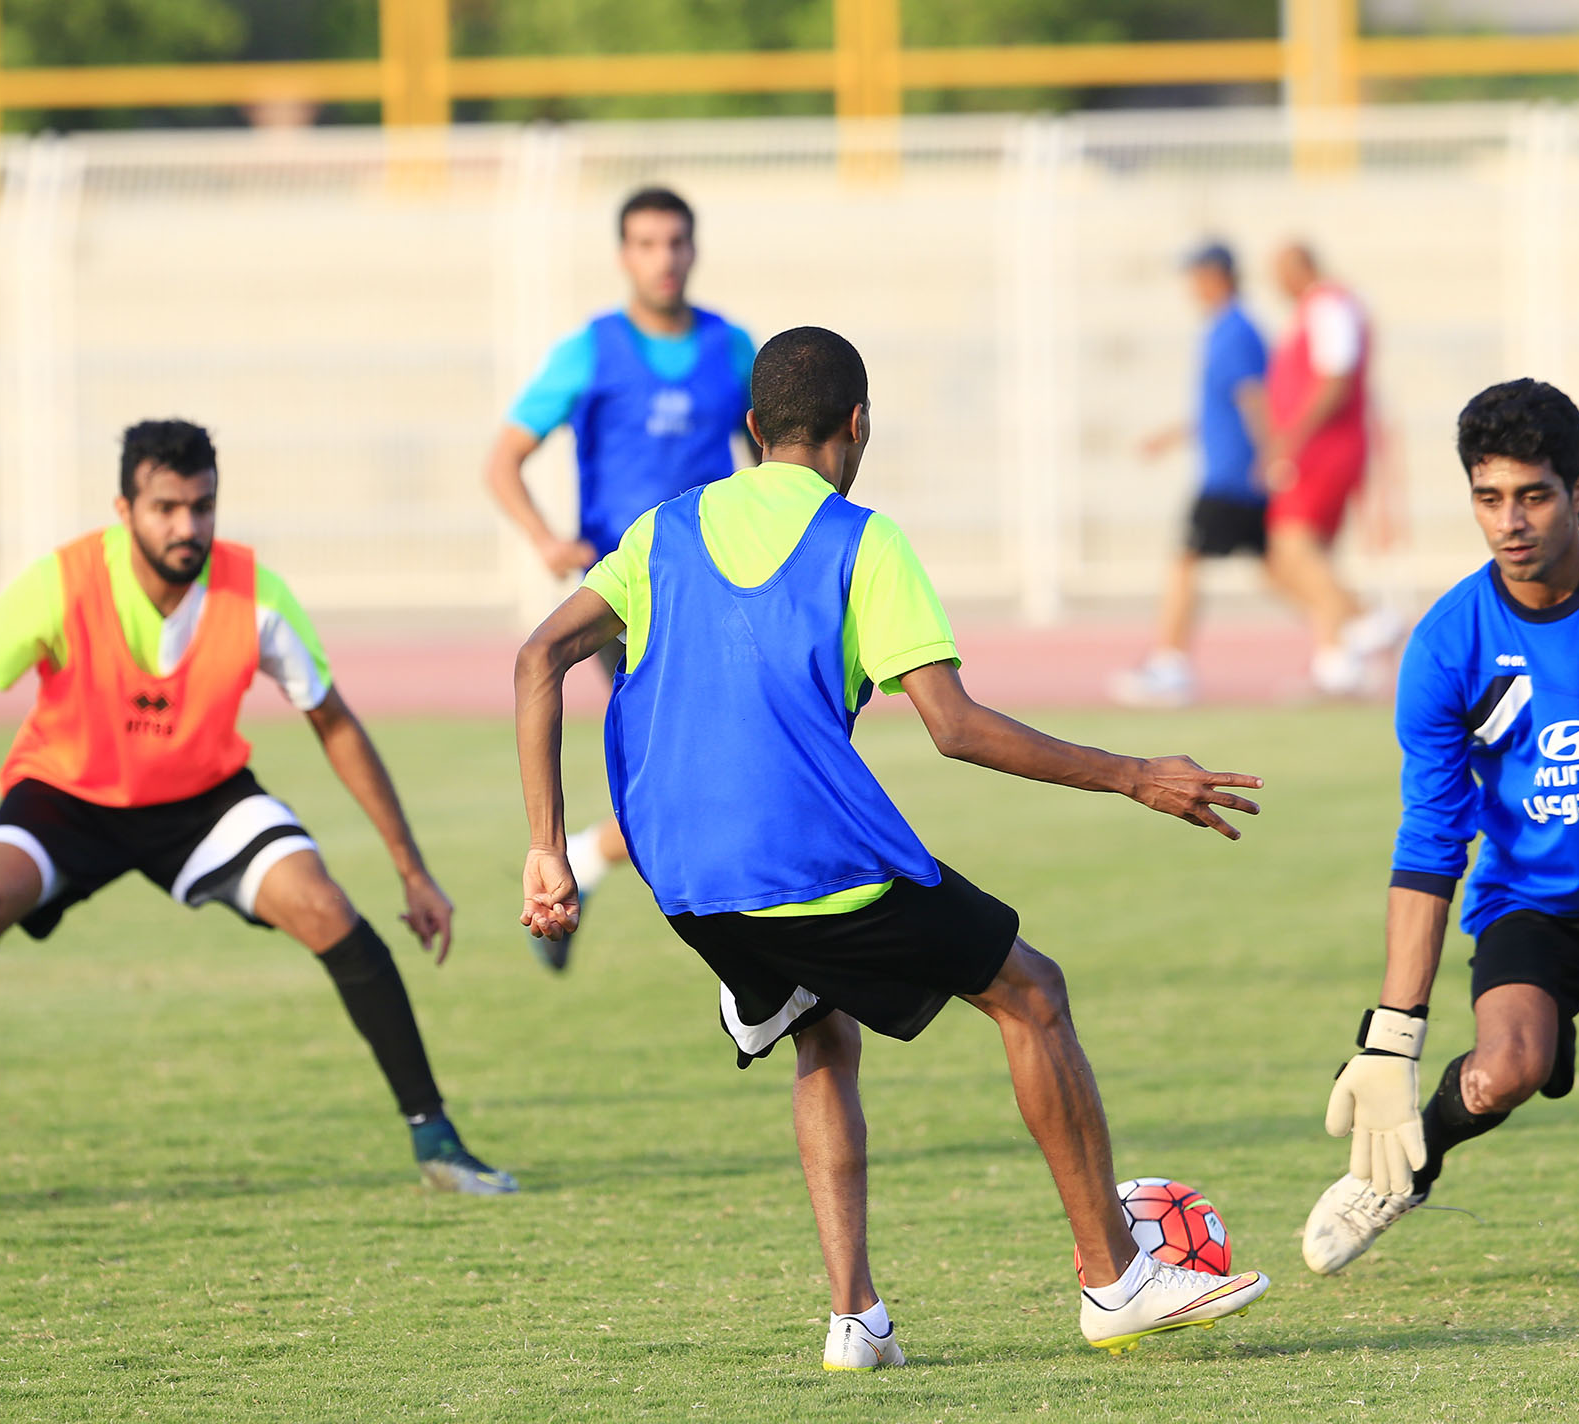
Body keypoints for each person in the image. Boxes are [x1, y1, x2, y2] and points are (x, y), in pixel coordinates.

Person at [513, 326, 1272, 1368]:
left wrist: (548, 850)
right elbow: (954, 728)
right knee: (1031, 994)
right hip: (806, 861)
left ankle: (854, 1321)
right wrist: (1134, 774)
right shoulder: (860, 540)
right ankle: (1113, 1281)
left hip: (683, 878)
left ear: (750, 430)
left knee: (820, 1030)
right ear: (856, 425)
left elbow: (536, 656)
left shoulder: (663, 528)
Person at [0, 420, 515, 1209]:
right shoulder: (61, 581)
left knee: (325, 906)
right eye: (165, 507)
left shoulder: (254, 591)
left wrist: (413, 872)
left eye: (202, 506)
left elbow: (334, 723)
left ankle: (435, 1137)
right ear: (124, 509)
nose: (187, 527)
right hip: (69, 794)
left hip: (200, 800)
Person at [1304, 380, 1579, 1305]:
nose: (1511, 521)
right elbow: (1429, 844)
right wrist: (1391, 1038)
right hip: (1527, 897)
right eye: (1489, 497)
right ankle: (1401, 1177)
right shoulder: (1445, 646)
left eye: (1534, 495)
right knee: (1510, 1069)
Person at [485, 185, 755, 970]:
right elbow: (503, 460)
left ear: (694, 250)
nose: (663, 258)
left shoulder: (732, 348)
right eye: (646, 243)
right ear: (622, 255)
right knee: (708, 772)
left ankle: (589, 857)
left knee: (701, 775)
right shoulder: (590, 351)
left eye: (675, 242)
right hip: (625, 596)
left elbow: (771, 458)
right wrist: (544, 539)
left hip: (719, 589)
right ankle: (749, 956)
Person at [1111, 241, 1271, 708]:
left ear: (1216, 275)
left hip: (1230, 476)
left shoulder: (1235, 330)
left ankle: (1170, 663)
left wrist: (1270, 455)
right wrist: (1170, 437)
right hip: (1230, 470)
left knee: (1186, 559)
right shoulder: (1225, 329)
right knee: (1278, 564)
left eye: (1196, 276)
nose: (1190, 287)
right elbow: (1220, 407)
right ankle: (1348, 632)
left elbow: (1253, 398)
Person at [1263, 242, 1400, 695]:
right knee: (1307, 558)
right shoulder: (1319, 309)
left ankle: (1366, 620)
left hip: (1323, 448)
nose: (1276, 282)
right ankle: (1336, 661)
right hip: (1322, 445)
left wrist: (1293, 436)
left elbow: (1336, 379)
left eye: (1281, 270)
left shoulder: (1328, 306)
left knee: (1291, 550)